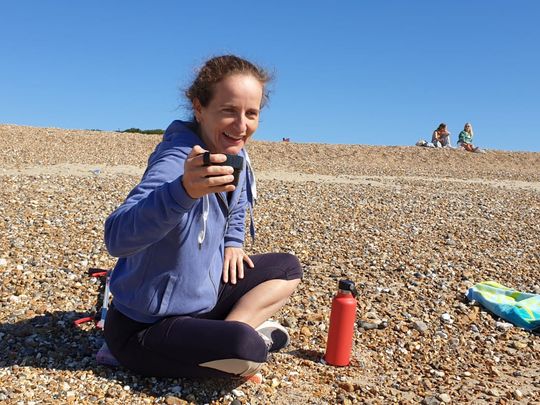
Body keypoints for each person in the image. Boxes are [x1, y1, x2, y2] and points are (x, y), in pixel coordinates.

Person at [103, 55, 302, 378]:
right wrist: (182, 191)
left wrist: (234, 243)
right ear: (199, 108)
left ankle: (219, 337)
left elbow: (236, 203)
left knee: (286, 268)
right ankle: (231, 340)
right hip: (143, 328)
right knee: (246, 350)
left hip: (200, 301)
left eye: (251, 114)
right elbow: (116, 237)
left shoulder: (234, 152)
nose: (241, 126)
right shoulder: (175, 162)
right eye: (228, 111)